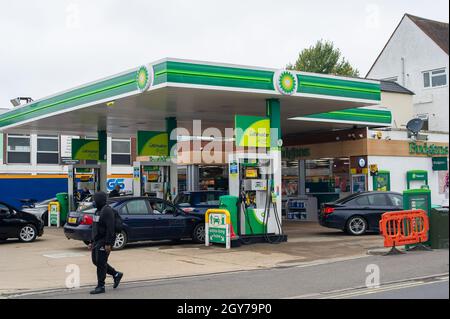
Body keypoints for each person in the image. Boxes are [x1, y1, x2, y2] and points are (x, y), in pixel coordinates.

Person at [88, 191, 123, 294]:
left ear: (100, 200)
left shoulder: (107, 211)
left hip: (105, 240)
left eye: (95, 199)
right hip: (97, 240)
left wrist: (108, 243)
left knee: (101, 263)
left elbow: (110, 228)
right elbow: (95, 227)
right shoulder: (97, 211)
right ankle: (116, 274)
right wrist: (91, 241)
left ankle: (101, 286)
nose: (93, 201)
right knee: (96, 261)